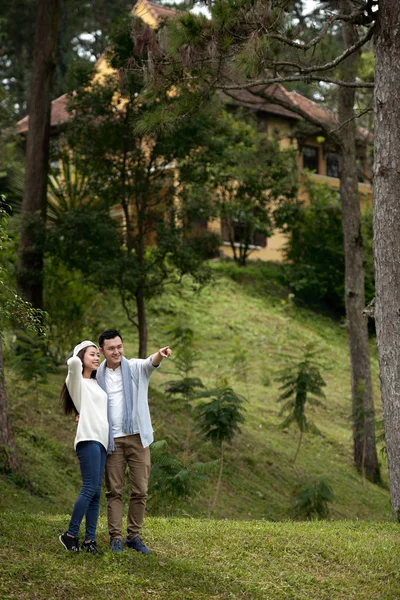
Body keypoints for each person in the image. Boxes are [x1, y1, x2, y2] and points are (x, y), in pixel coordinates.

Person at [96, 329, 171, 554]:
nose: (116, 351)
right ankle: (115, 537)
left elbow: (150, 363)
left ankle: (134, 536)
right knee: (114, 490)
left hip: (138, 438)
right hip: (112, 441)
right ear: (102, 351)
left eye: (119, 346)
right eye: (111, 348)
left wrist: (159, 354)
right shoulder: (96, 376)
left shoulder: (136, 368)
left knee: (140, 489)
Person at [59, 340, 109, 555]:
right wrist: (82, 350)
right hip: (87, 438)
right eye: (92, 354)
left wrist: (89, 352)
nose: (97, 357)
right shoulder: (76, 380)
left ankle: (90, 541)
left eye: (98, 355)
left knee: (96, 493)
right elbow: (72, 363)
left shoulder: (96, 384)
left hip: (101, 441)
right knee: (89, 488)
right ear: (82, 357)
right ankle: (70, 535)